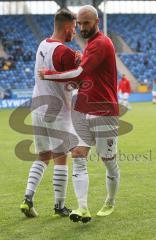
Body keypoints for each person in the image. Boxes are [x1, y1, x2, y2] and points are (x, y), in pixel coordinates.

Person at [40, 5, 120, 223]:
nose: (82, 27)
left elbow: (79, 73)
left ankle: (110, 201)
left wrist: (48, 74)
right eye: (80, 23)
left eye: (86, 23)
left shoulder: (101, 43)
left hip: (104, 110)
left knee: (108, 161)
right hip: (83, 110)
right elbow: (80, 79)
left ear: (96, 22)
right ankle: (82, 208)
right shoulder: (90, 46)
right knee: (77, 155)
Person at [20, 9, 79, 218]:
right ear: (66, 27)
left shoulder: (42, 45)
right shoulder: (65, 52)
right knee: (61, 158)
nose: (75, 31)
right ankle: (59, 205)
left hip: (38, 107)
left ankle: (27, 198)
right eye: (74, 27)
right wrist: (79, 64)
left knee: (43, 156)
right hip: (58, 111)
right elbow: (75, 82)